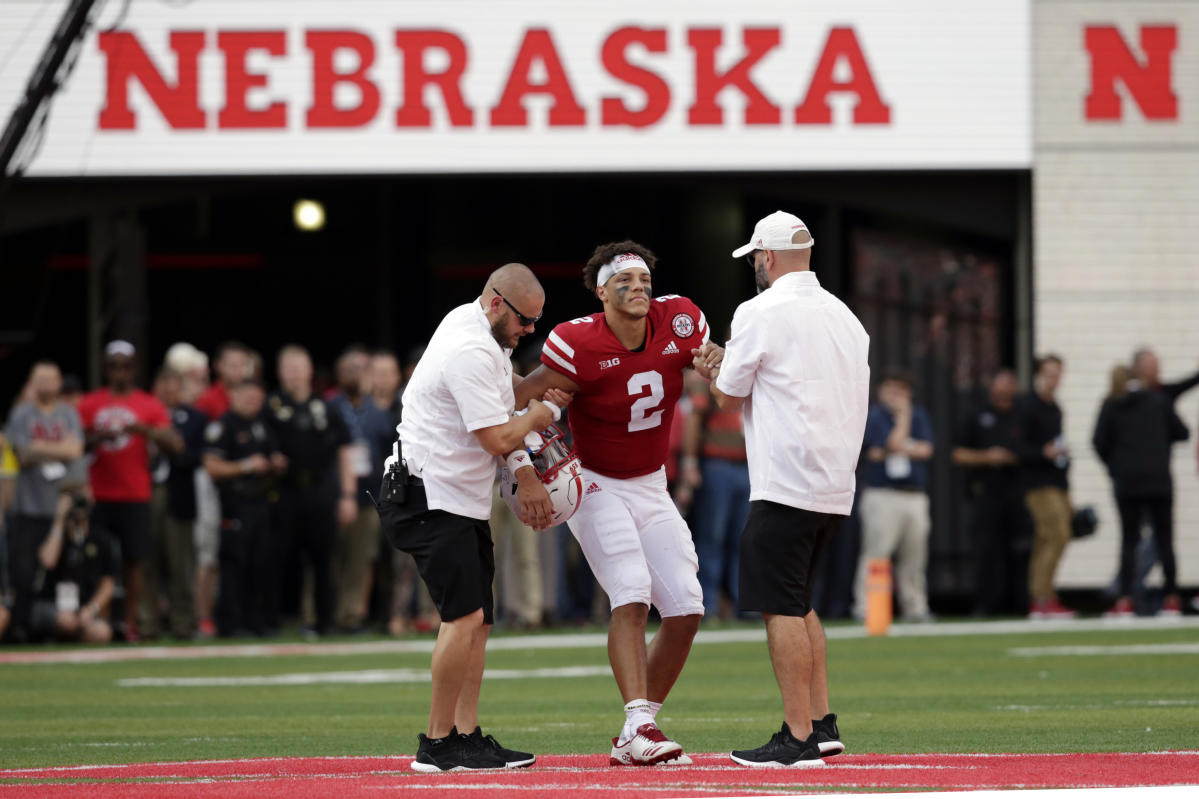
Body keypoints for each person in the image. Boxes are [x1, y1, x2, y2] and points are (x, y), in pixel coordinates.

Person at [515, 241, 711, 766]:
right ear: (601, 292)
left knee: (687, 607)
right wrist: (525, 460)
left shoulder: (681, 321)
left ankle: (636, 727)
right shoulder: (575, 341)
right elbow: (516, 396)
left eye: (644, 280)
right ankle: (639, 724)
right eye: (624, 281)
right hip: (595, 481)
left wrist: (722, 365)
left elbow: (721, 373)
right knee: (630, 590)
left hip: (651, 483)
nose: (638, 288)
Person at [377, 263, 565, 772]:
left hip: (453, 497)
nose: (530, 331)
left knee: (477, 620)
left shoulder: (475, 326)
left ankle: (465, 734)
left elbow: (507, 398)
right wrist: (540, 416)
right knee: (461, 619)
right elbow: (499, 437)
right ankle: (437, 743)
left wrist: (538, 394)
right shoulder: (470, 348)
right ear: (498, 303)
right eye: (526, 321)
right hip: (429, 495)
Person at [702, 210, 869, 767]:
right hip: (834, 479)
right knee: (800, 601)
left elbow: (728, 394)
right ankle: (820, 723)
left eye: (755, 257)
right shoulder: (846, 317)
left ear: (766, 257)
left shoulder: (758, 310)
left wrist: (713, 367)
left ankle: (797, 736)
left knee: (780, 606)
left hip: (785, 478)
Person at [78, 341, 182, 641]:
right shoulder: (90, 403)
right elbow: (77, 443)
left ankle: (131, 622)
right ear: (105, 368)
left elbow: (175, 444)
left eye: (125, 366)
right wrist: (100, 436)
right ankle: (102, 621)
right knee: (97, 560)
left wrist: (142, 430)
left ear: (134, 368)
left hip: (135, 492)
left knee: (136, 561)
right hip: (99, 492)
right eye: (113, 365)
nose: (119, 372)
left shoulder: (148, 404)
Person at [267, 345, 356, 637]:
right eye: (288, 368)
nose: (294, 374)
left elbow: (345, 452)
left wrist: (348, 495)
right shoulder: (270, 407)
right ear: (280, 373)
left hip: (320, 490)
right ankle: (278, 620)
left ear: (309, 371)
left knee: (323, 559)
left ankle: (325, 622)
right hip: (284, 492)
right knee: (280, 558)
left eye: (299, 367)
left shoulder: (327, 408)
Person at [1092, 363, 1189, 617]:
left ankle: (1124, 600)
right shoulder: (1158, 401)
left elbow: (1099, 442)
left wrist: (1116, 467)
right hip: (1158, 480)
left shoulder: (1111, 404)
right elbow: (1182, 432)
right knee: (1165, 538)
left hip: (1127, 482)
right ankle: (1171, 598)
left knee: (1129, 539)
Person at [3, 361, 84, 641]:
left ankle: (60, 629)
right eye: (41, 378)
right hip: (27, 506)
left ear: (60, 382)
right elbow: (21, 454)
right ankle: (20, 628)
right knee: (23, 571)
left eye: (52, 378)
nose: (47, 384)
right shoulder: (22, 414)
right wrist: (60, 450)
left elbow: (76, 450)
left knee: (65, 571)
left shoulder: (68, 413)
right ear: (32, 382)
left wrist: (41, 448)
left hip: (60, 504)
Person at [203, 378, 286, 636]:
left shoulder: (261, 424)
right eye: (246, 397)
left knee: (260, 563)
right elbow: (211, 466)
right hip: (235, 505)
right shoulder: (223, 426)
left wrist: (276, 462)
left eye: (256, 398)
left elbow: (273, 455)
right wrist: (247, 466)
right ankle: (230, 623)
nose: (252, 402)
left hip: (261, 504)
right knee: (233, 564)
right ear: (234, 396)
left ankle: (257, 622)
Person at [854, 370, 935, 622]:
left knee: (914, 555)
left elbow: (926, 450)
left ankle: (915, 607)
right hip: (883, 494)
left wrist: (900, 445)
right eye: (890, 389)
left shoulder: (920, 415)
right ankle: (866, 607)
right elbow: (891, 444)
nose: (896, 395)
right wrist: (903, 421)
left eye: (901, 390)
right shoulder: (874, 416)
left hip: (914, 495)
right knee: (877, 551)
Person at [328, 346, 395, 632]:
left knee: (364, 559)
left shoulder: (379, 414)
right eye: (348, 370)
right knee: (329, 558)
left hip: (370, 495)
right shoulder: (329, 408)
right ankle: (321, 615)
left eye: (359, 369)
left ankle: (354, 615)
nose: (354, 375)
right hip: (333, 495)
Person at [952, 369, 1028, 616]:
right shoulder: (976, 413)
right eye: (1001, 385)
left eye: (1010, 386)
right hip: (985, 492)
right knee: (986, 551)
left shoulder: (1023, 414)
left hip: (1018, 493)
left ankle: (1019, 604)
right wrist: (988, 456)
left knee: (1019, 549)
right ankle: (986, 604)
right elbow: (957, 454)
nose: (1006, 391)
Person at [679, 372, 751, 620]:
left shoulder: (756, 375)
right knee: (713, 537)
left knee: (742, 540)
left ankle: (741, 605)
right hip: (718, 463)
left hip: (747, 466)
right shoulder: (715, 375)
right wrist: (690, 462)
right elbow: (694, 418)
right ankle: (706, 605)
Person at [143, 367, 208, 639]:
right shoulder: (142, 413)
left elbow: (196, 455)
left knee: (181, 563)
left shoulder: (194, 418)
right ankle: (147, 624)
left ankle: (183, 623)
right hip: (146, 491)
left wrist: (172, 445)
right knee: (148, 560)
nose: (169, 390)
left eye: (174, 385)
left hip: (178, 492)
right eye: (164, 383)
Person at [1013, 354, 1075, 619]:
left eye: (1057, 373)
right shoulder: (1028, 406)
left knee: (1051, 538)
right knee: (1055, 535)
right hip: (1037, 484)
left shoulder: (1055, 407)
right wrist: (1043, 452)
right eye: (1049, 373)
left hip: (1056, 481)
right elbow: (1016, 446)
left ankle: (1045, 595)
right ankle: (1041, 598)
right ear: (1039, 374)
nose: (1054, 379)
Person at [31, 492, 116, 643]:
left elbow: (108, 582)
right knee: (66, 622)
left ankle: (77, 640)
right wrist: (59, 520)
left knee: (102, 633)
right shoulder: (53, 532)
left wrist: (91, 608)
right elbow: (48, 561)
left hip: (85, 607)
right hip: (52, 604)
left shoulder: (100, 538)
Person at [195, 342, 252, 421]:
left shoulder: (255, 397)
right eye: (233, 365)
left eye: (243, 364)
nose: (239, 370)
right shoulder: (207, 399)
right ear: (218, 365)